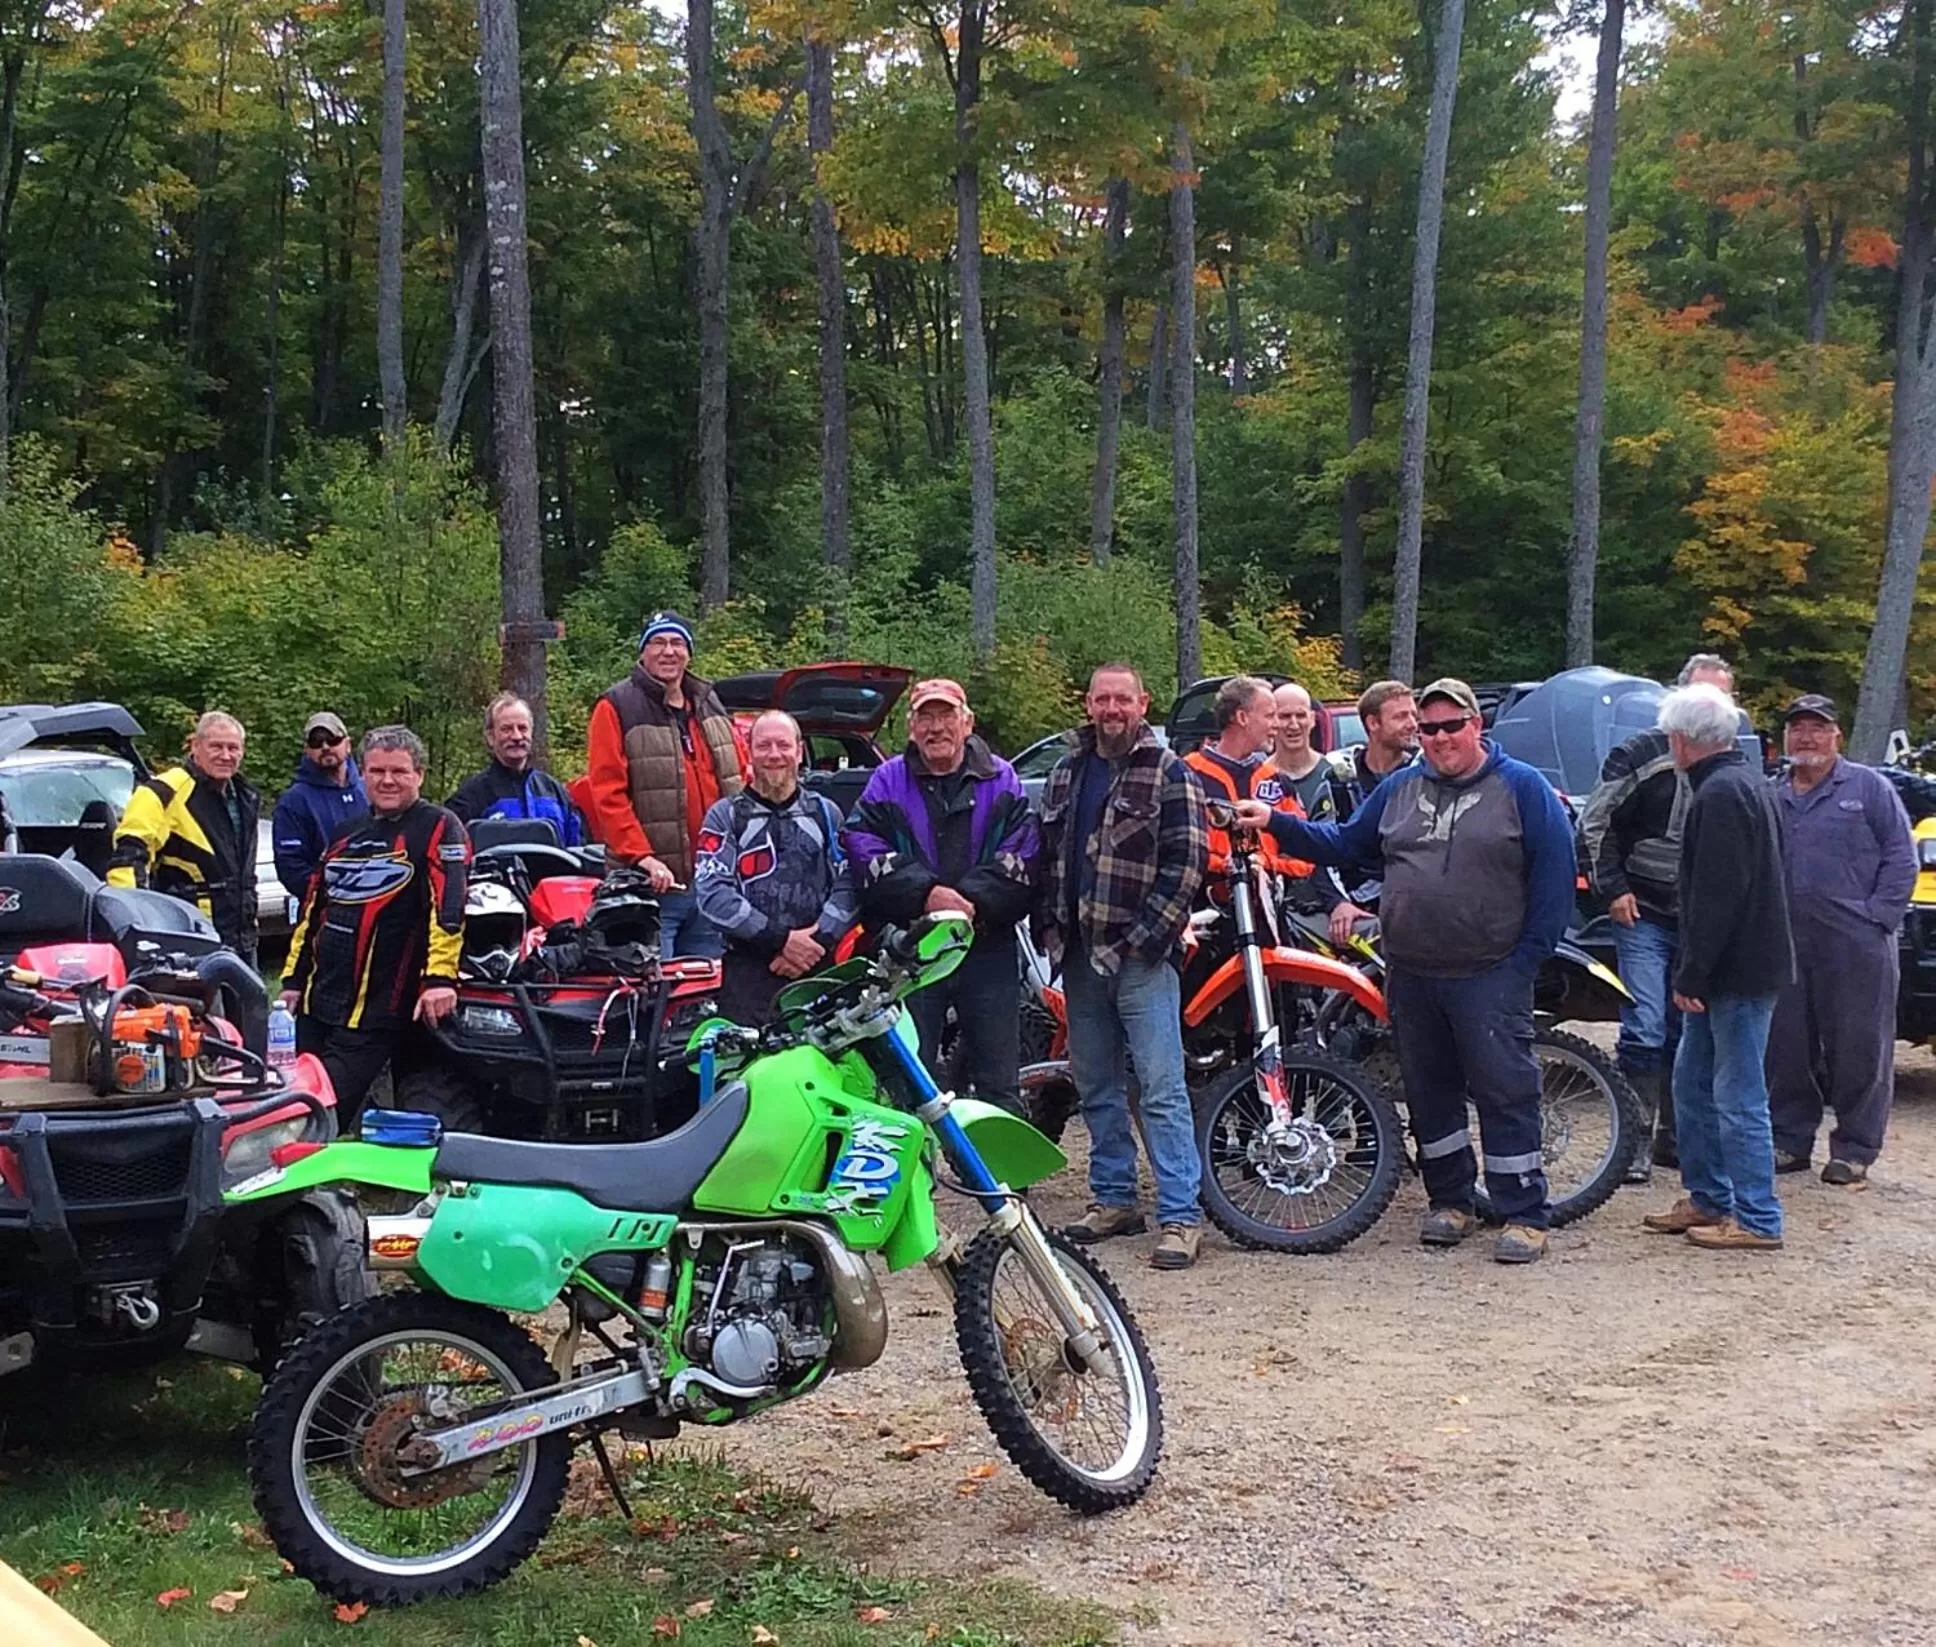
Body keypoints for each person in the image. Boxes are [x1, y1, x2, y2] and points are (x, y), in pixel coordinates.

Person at [1237, 678, 1575, 1264]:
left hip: (1490, 971)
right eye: (1429, 728)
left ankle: (1523, 1213)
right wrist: (1273, 821)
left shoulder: (1523, 788)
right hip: (1412, 971)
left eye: (1452, 726)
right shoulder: (1399, 788)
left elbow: (1555, 879)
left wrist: (1524, 961)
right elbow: (1345, 844)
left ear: (1476, 726)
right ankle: (1451, 1202)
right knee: (1428, 1090)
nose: (1440, 738)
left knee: (1504, 1090)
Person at [1036, 662, 1209, 1271]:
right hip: (1079, 953)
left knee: (1161, 1088)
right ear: (1088, 704)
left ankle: (1181, 1215)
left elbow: (1188, 862)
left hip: (1142, 957)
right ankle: (1114, 1199)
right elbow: (1048, 856)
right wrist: (1051, 926)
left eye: (1123, 700)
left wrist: (1145, 937)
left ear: (1143, 704)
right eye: (1102, 699)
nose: (1112, 709)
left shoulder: (1169, 771)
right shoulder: (1066, 771)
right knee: (1096, 1086)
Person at [1640, 684, 1794, 1250]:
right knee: (1693, 1084)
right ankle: (1709, 1198)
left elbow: (1716, 896)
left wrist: (1692, 974)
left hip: (1737, 971)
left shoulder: (1720, 794)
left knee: (1737, 1094)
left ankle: (1757, 1217)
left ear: (1682, 740)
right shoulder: (1748, 783)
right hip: (1740, 964)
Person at [1578, 652, 1737, 1181]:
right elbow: (1594, 821)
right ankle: (1634, 1142)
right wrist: (1612, 888)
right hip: (1642, 908)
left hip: (1698, 918)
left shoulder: (1734, 766)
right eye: (1700, 695)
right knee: (1644, 1024)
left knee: (1685, 1028)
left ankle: (1678, 1137)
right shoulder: (1639, 753)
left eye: (1720, 697)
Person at [847, 679, 1038, 1112]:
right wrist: (927, 894)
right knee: (906, 1081)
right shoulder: (886, 781)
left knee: (999, 1084)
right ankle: (918, 1158)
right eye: (926, 718)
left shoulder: (1002, 779)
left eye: (946, 715)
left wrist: (968, 903)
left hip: (986, 947)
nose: (936, 728)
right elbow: (860, 845)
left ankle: (996, 1159)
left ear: (967, 722)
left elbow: (1024, 854)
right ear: (911, 727)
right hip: (912, 951)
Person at [279, 726, 469, 1129]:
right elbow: (313, 909)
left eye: (399, 771)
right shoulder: (345, 832)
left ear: (419, 775)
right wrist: (293, 980)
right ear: (361, 774)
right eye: (377, 771)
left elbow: (449, 907)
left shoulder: (439, 826)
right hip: (317, 999)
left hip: (377, 1007)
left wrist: (439, 978)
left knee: (317, 1115)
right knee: (289, 1100)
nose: (387, 780)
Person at [1766, 693, 1915, 1186]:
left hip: (1857, 945)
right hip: (1786, 944)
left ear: (1837, 736)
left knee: (1860, 1049)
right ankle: (1789, 1141)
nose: (1806, 737)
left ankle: (1854, 1149)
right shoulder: (1772, 795)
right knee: (1786, 1048)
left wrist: (1877, 919)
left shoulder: (1869, 788)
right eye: (1797, 728)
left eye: (1817, 728)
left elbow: (1901, 856)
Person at [584, 611, 746, 957]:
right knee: (655, 986)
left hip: (712, 886)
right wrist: (644, 858)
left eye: (677, 643)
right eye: (658, 642)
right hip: (649, 890)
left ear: (689, 652)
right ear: (642, 652)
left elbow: (738, 781)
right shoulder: (616, 706)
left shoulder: (709, 702)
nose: (668, 651)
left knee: (706, 985)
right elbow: (608, 795)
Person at [695, 710, 859, 1025]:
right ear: (748, 751)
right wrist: (781, 940)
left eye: (783, 745)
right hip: (749, 974)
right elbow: (713, 895)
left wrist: (816, 941)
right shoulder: (725, 816)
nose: (774, 755)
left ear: (799, 751)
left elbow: (849, 885)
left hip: (817, 966)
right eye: (764, 745)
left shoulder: (826, 814)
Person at [109, 710, 261, 965]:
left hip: (243, 937)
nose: (226, 755)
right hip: (190, 937)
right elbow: (128, 860)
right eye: (216, 746)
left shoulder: (246, 796)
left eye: (233, 748)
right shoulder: (163, 791)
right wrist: (134, 927)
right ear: (195, 746)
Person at [1182, 676, 1309, 878]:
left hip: (1271, 895)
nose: (1277, 725)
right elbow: (1176, 849)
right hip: (1206, 895)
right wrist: (1226, 866)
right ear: (1242, 718)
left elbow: (1307, 857)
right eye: (1270, 716)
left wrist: (1265, 864)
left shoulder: (1276, 780)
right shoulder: (1188, 773)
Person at [1324, 679, 1420, 939]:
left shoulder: (1424, 774)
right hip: (1352, 906)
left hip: (1412, 907)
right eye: (1401, 716)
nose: (1412, 723)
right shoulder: (1339, 775)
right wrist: (1338, 902)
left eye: (1413, 714)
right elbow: (1321, 845)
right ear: (1373, 723)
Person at [446, 692, 584, 846]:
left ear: (531, 733)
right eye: (507, 729)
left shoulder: (555, 792)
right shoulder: (470, 797)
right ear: (490, 737)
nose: (517, 736)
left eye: (522, 728)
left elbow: (578, 848)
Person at [271, 711, 368, 900]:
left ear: (348, 744)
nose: (325, 747)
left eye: (332, 740)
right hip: (326, 905)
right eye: (316, 742)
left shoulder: (370, 790)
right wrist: (332, 894)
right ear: (307, 750)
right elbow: (290, 868)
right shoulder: (294, 801)